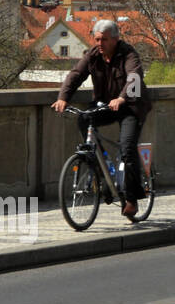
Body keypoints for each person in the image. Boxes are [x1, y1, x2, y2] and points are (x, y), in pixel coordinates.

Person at [53, 19, 153, 220]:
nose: (100, 43)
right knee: (83, 119)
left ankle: (132, 199)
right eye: (97, 39)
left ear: (115, 39)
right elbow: (76, 74)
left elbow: (134, 77)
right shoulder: (93, 55)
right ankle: (100, 169)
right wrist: (63, 98)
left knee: (127, 148)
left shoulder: (128, 54)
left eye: (104, 40)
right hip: (105, 105)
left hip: (131, 106)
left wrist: (122, 98)